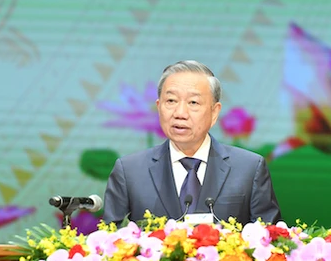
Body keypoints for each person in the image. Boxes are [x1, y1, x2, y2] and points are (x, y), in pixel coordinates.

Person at [103, 60, 282, 226]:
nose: (180, 113)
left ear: (214, 112)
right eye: (171, 101)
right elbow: (109, 240)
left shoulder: (249, 168)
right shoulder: (129, 171)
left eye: (193, 102)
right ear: (158, 107)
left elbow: (271, 240)